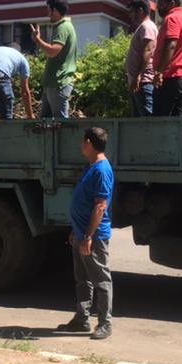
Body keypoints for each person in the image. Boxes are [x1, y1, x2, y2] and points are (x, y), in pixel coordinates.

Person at [56, 127, 114, 340]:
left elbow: (100, 206)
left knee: (101, 280)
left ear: (89, 143)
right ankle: (81, 319)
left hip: (94, 237)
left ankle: (105, 323)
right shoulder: (92, 167)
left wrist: (88, 236)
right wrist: (77, 231)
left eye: (83, 142)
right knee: (82, 280)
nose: (81, 146)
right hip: (82, 234)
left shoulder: (101, 170)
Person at [31, 0, 78, 119]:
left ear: (55, 10)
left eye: (48, 10)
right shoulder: (66, 26)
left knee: (60, 125)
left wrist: (38, 40)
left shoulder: (62, 27)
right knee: (45, 124)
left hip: (58, 84)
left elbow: (53, 51)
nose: (48, 14)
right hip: (53, 84)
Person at [0, 43, 34, 120]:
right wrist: (30, 116)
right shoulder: (22, 59)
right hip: (0, 74)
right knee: (6, 116)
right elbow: (24, 91)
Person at [126, 0, 158, 117]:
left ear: (140, 11)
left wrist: (138, 75)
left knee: (146, 120)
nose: (130, 16)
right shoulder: (143, 27)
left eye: (132, 12)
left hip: (143, 82)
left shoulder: (147, 26)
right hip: (138, 82)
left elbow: (148, 50)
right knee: (137, 123)